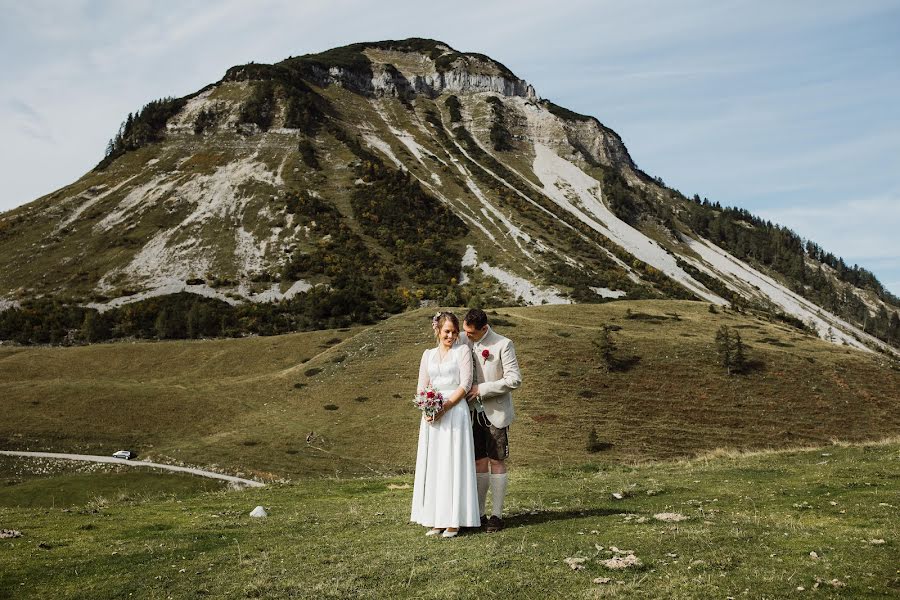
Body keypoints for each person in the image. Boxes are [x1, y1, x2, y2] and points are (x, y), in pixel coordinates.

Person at [410, 312, 480, 538]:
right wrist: (427, 409)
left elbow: (466, 384)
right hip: (433, 415)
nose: (450, 335)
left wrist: (445, 407)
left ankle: (454, 520)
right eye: (446, 331)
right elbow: (422, 386)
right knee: (437, 465)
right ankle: (437, 519)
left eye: (453, 331)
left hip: (454, 411)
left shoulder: (463, 352)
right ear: (437, 331)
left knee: (453, 463)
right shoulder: (427, 355)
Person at [460, 308, 521, 533]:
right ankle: (479, 514)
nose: (467, 335)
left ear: (484, 328)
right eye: (465, 330)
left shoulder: (503, 344)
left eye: (471, 333)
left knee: (496, 460)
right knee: (477, 462)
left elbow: (514, 379)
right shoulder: (464, 341)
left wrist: (482, 389)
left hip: (495, 412)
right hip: (469, 412)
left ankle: (496, 515)